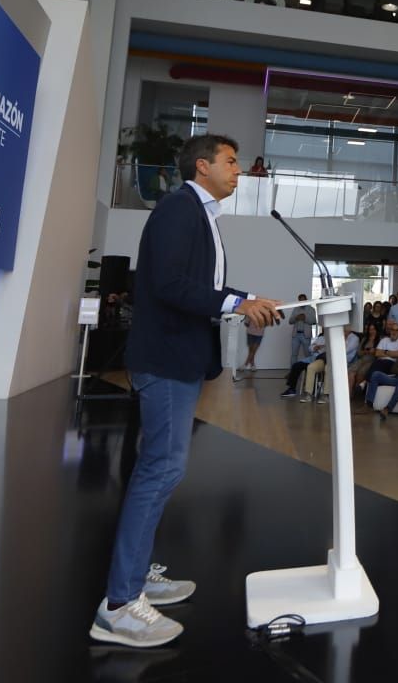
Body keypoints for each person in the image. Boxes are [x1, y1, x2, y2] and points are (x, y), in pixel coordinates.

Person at [92, 134, 284, 647]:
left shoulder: (200, 215)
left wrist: (240, 299)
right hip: (166, 359)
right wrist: (237, 303)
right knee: (161, 468)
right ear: (202, 166)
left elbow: (191, 284)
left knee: (161, 467)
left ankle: (137, 576)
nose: (240, 169)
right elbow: (169, 285)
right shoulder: (180, 209)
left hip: (180, 359)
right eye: (231, 161)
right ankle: (118, 605)